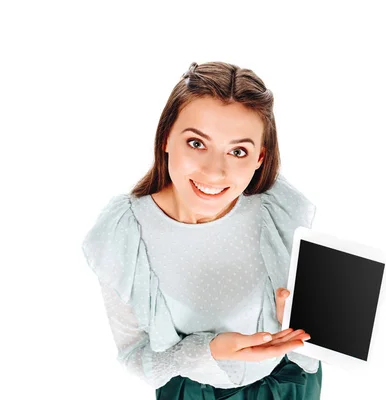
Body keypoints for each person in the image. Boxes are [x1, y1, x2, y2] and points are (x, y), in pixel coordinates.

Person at [81, 61, 323, 399]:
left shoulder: (277, 209)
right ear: (166, 138)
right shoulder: (124, 233)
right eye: (197, 143)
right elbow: (133, 356)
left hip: (288, 386)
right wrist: (206, 350)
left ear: (259, 158)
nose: (215, 172)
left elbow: (315, 337)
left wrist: (294, 323)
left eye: (238, 151)